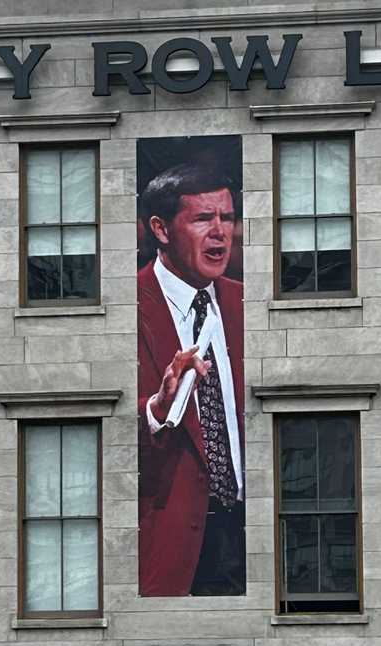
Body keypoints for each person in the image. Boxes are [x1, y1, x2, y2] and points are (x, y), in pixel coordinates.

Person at [137, 162, 245, 596]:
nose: (221, 232)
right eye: (203, 218)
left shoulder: (244, 300)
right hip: (172, 541)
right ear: (161, 229)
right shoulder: (126, 306)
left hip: (247, 536)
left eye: (228, 217)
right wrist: (158, 410)